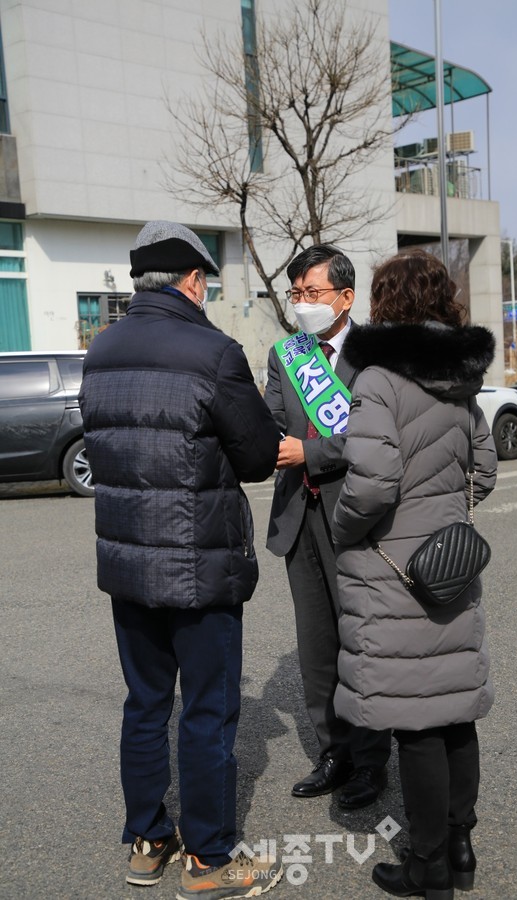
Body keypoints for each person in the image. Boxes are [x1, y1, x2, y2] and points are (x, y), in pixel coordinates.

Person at [79, 221, 282, 900]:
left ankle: (147, 840)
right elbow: (257, 455)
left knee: (144, 703)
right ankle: (209, 859)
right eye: (206, 282)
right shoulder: (213, 352)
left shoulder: (101, 350)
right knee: (206, 711)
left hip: (128, 562)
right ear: (193, 280)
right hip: (199, 564)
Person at [331, 249, 498, 899]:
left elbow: (372, 484)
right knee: (455, 714)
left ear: (385, 302)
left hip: (393, 571)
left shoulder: (377, 379)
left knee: (418, 724)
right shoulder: (460, 377)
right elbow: (484, 470)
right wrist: (448, 517)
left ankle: (428, 868)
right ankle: (460, 848)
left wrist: (345, 530)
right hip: (449, 567)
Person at [264, 244, 390, 808]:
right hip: (299, 514)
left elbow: (376, 436)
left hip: (355, 517)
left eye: (312, 292)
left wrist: (310, 452)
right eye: (296, 293)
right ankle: (333, 752)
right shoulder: (286, 355)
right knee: (315, 646)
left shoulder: (375, 356)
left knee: (360, 641)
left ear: (345, 297)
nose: (302, 304)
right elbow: (271, 420)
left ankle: (371, 760)